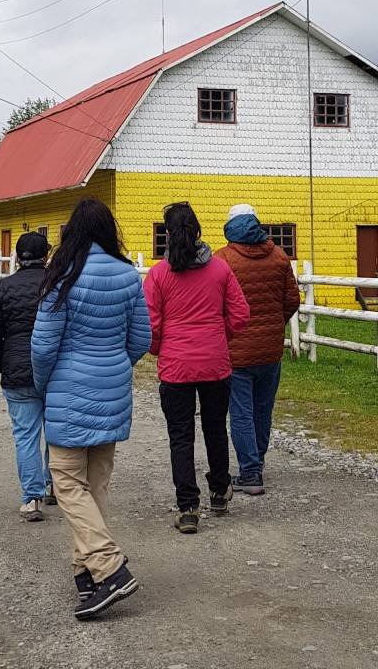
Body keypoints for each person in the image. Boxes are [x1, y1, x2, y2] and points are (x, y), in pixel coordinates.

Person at [31, 199, 150, 620]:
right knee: (96, 484)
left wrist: (45, 385)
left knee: (65, 482)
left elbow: (44, 346)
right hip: (113, 386)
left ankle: (110, 567)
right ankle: (87, 573)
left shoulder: (62, 276)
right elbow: (141, 338)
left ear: (72, 233)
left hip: (68, 387)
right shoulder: (127, 275)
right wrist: (114, 367)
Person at [144, 202, 250, 535]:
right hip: (215, 363)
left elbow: (151, 324)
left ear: (167, 233)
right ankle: (219, 491)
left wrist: (162, 349)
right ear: (199, 230)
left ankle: (188, 506)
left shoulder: (159, 274)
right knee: (216, 428)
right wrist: (220, 335)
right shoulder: (219, 270)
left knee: (181, 437)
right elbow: (241, 314)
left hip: (176, 366)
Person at [215, 204, 300, 495]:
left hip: (236, 350)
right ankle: (258, 462)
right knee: (263, 409)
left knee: (241, 412)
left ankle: (250, 473)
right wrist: (277, 323)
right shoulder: (278, 256)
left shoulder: (223, 259)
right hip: (270, 349)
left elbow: (216, 303)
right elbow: (292, 300)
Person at [0, 231, 54, 523]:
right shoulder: (57, 285)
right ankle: (56, 485)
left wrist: (4, 364)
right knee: (56, 433)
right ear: (46, 256)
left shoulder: (2, 289)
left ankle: (31, 498)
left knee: (26, 435)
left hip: (17, 370)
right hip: (54, 371)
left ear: (16, 258)